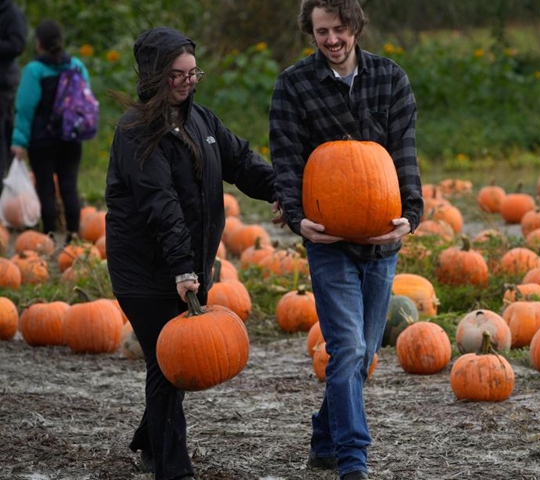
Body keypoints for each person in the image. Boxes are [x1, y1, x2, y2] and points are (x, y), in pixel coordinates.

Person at [105, 27, 278, 480]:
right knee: (169, 367)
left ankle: (149, 440)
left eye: (192, 73)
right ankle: (172, 468)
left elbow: (241, 162)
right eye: (177, 75)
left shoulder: (202, 122)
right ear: (154, 76)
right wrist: (183, 268)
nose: (188, 81)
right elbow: (161, 204)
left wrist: (286, 192)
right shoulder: (136, 133)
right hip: (145, 270)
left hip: (187, 263)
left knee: (169, 363)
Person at [268, 1, 423, 479]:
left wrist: (410, 217)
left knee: (365, 352)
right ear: (310, 32)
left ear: (354, 26)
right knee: (348, 349)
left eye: (338, 29)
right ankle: (353, 459)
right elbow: (287, 160)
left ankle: (323, 437)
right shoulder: (294, 86)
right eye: (321, 31)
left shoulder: (390, 78)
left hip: (381, 241)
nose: (331, 39)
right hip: (328, 240)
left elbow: (404, 154)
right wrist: (297, 219)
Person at [11, 19, 85, 242]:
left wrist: (19, 141)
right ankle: (73, 238)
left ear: (39, 43)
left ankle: (48, 239)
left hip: (42, 141)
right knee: (69, 187)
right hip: (71, 138)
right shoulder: (77, 66)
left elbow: (25, 108)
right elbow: (84, 100)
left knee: (46, 190)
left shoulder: (34, 70)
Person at [0, 0, 27, 195]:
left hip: (3, 85)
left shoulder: (10, 11)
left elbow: (18, 44)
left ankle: (4, 185)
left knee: (2, 135)